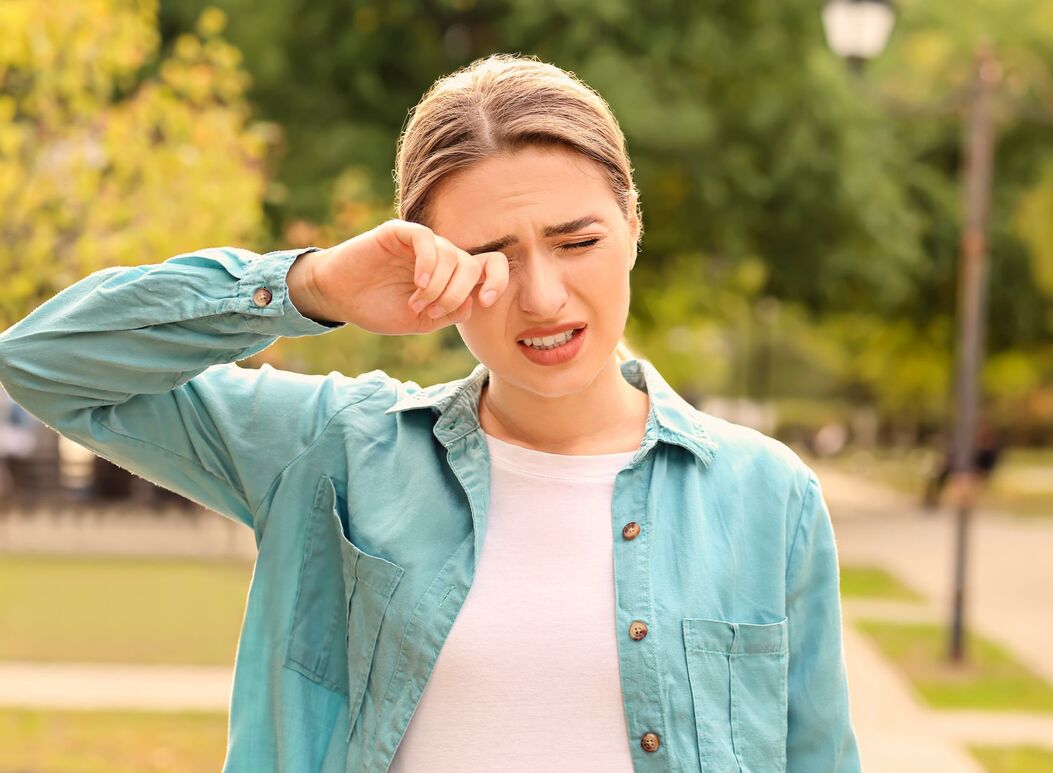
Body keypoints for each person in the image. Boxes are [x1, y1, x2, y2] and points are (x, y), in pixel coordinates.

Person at [0, 54, 860, 772]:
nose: (543, 295)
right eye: (490, 256)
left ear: (634, 224)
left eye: (578, 241)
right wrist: (310, 287)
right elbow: (43, 363)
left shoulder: (767, 496)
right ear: (425, 264)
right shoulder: (336, 453)